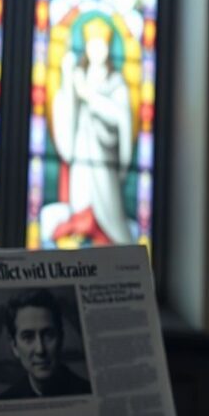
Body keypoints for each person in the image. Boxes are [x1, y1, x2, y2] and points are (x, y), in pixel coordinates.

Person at [50, 15, 135, 246]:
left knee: (105, 199)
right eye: (93, 45)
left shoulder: (116, 81)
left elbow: (121, 117)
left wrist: (89, 95)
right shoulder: (79, 75)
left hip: (105, 154)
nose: (97, 50)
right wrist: (68, 79)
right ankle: (82, 227)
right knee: (81, 192)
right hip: (82, 147)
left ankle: (105, 234)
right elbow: (67, 108)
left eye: (102, 46)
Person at [0, 289, 91, 399]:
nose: (40, 349)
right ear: (14, 346)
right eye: (28, 337)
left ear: (61, 339)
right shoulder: (5, 400)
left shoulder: (86, 391)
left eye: (49, 335)